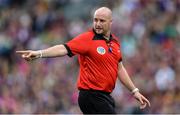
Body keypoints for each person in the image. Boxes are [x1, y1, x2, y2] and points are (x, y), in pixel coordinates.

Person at [16, 7, 150, 114]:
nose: (97, 24)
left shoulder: (115, 43)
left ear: (111, 22)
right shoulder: (87, 39)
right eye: (95, 20)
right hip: (91, 96)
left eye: (102, 21)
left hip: (105, 97)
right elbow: (63, 48)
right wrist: (39, 53)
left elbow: (119, 68)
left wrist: (134, 91)